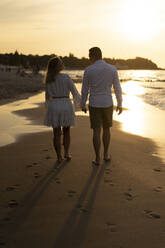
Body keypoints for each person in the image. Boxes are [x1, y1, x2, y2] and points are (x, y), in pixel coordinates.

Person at [81, 47, 122, 165]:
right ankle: (106, 154)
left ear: (94, 56)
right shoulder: (112, 69)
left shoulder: (89, 70)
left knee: (96, 131)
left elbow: (85, 89)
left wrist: (83, 104)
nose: (89, 58)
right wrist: (120, 103)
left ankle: (97, 158)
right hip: (107, 103)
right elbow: (117, 88)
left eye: (89, 56)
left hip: (94, 103)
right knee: (107, 129)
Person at [44, 57, 81, 163]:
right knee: (66, 131)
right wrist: (80, 105)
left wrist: (47, 109)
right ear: (58, 66)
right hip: (65, 104)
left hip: (54, 105)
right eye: (61, 63)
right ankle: (67, 153)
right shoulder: (66, 77)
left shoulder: (49, 79)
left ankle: (59, 156)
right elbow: (75, 93)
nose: (63, 64)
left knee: (56, 133)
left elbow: (47, 97)